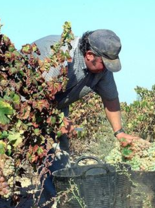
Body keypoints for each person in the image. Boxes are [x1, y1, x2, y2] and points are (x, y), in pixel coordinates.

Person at [34, 29, 139, 203]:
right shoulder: (57, 56)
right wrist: (56, 122)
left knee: (59, 154)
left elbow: (110, 98)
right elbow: (35, 101)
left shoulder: (101, 69)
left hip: (56, 106)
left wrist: (119, 132)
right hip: (24, 105)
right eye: (104, 63)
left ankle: (59, 199)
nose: (106, 68)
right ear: (89, 55)